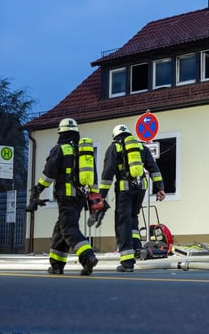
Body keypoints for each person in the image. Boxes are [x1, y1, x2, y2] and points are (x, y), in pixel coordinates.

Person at [30, 118, 99, 275]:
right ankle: (56, 265)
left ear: (61, 133)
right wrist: (94, 199)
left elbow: (48, 174)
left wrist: (37, 190)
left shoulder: (59, 149)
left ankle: (88, 256)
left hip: (66, 196)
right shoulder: (83, 151)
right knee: (60, 229)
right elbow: (92, 177)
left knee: (68, 228)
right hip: (81, 197)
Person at [98, 124, 166, 272]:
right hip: (141, 188)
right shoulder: (141, 147)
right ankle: (136, 248)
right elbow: (154, 168)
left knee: (122, 222)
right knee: (133, 217)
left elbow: (107, 174)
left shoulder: (114, 148)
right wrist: (160, 188)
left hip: (124, 189)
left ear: (115, 136)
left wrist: (101, 196)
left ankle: (127, 262)